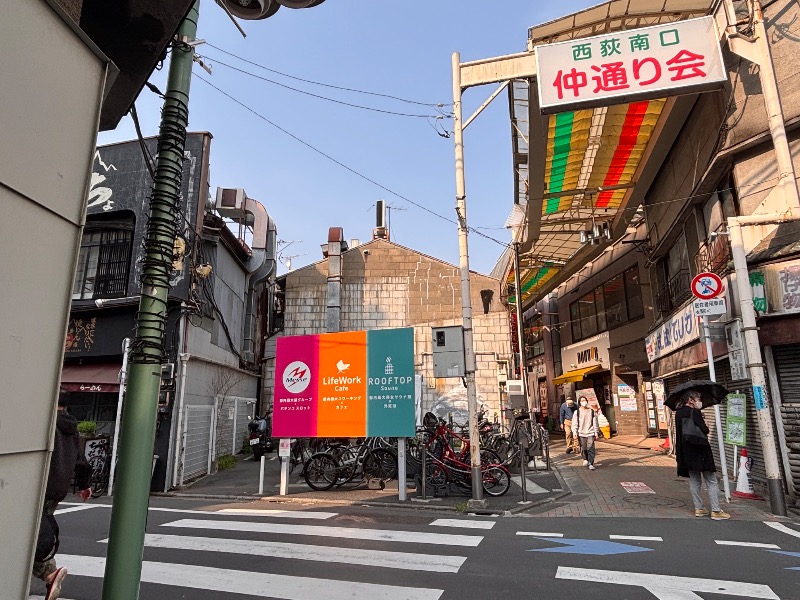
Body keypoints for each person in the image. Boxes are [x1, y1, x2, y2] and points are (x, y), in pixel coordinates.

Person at [32, 389, 93, 600]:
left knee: (27, 533)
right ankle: (49, 574)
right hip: (58, 490)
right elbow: (80, 460)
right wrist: (85, 484)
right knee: (36, 532)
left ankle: (49, 574)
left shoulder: (46, 423)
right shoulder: (71, 428)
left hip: (38, 486)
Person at [675, 391, 730, 520]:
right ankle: (716, 510)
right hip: (701, 450)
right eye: (698, 398)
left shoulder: (678, 413)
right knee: (711, 480)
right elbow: (704, 430)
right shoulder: (695, 412)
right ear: (690, 400)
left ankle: (699, 508)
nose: (700, 401)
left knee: (695, 480)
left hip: (686, 451)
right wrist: (703, 421)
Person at [571, 396, 600, 470]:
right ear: (579, 403)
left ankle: (591, 463)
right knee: (584, 448)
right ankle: (585, 459)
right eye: (582, 400)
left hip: (590, 432)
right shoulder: (577, 412)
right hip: (581, 433)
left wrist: (596, 432)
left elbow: (595, 423)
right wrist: (574, 432)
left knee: (591, 448)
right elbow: (575, 423)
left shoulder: (592, 411)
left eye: (585, 400)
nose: (584, 402)